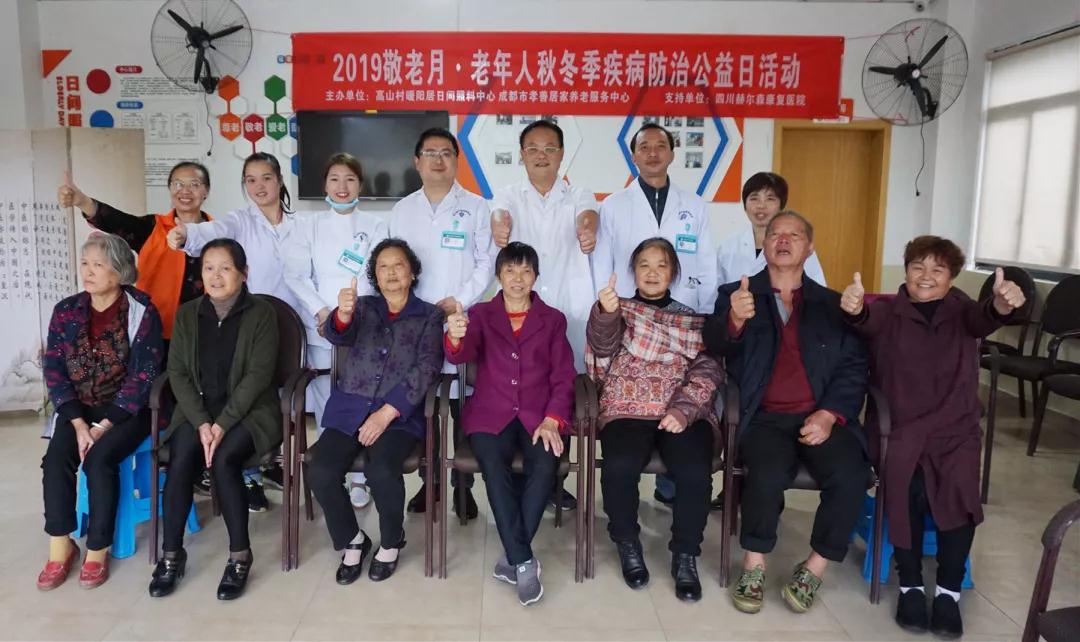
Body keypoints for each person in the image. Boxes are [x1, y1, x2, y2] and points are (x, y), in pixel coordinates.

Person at [840, 236, 1026, 638]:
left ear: (951, 277)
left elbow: (986, 318)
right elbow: (864, 320)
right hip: (899, 429)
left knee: (958, 494)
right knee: (907, 488)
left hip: (953, 430)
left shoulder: (964, 312)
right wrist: (854, 309)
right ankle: (909, 584)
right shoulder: (888, 311)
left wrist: (1001, 305)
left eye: (937, 270)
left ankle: (948, 592)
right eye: (917, 267)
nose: (925, 277)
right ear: (906, 270)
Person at [705, 211, 869, 615]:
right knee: (765, 474)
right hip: (763, 417)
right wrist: (734, 320)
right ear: (763, 245)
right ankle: (754, 564)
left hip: (821, 416)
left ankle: (814, 567)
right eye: (775, 234)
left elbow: (853, 367)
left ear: (809, 248)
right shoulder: (737, 294)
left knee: (851, 474)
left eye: (794, 235)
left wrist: (829, 414)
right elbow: (714, 346)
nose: (783, 240)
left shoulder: (831, 304)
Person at [586, 237, 722, 603]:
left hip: (679, 410)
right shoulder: (620, 309)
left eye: (661, 265)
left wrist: (684, 409)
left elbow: (709, 367)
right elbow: (601, 347)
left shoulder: (692, 321)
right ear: (633, 271)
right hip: (627, 406)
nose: (652, 272)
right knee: (619, 465)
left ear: (673, 272)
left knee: (694, 471)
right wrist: (606, 314)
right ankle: (628, 543)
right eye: (644, 264)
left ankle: (685, 555)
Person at [444, 242, 576, 606]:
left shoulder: (553, 319)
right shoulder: (481, 314)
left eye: (525, 271)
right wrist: (454, 335)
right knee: (494, 467)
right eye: (510, 271)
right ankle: (523, 560)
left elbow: (564, 376)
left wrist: (553, 419)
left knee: (545, 465)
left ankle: (514, 559)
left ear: (536, 276)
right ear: (499, 275)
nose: (518, 279)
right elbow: (462, 354)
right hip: (491, 412)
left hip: (538, 415)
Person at [149, 239, 281, 600]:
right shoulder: (188, 314)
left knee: (224, 460)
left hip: (250, 412)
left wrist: (221, 425)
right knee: (180, 460)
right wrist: (203, 423)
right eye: (209, 268)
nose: (216, 276)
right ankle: (171, 555)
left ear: (244, 273)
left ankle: (240, 556)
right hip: (198, 413)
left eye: (225, 268)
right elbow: (178, 373)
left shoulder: (262, 314)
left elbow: (258, 376)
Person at [167, 152, 300, 513]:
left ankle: (268, 463)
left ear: (280, 180)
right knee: (243, 388)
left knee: (276, 397)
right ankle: (248, 476)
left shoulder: (301, 224)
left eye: (266, 177)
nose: (259, 186)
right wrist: (186, 233)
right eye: (250, 180)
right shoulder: (240, 221)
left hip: (293, 323)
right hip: (248, 320)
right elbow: (212, 233)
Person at [307, 238, 444, 584]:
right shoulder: (364, 307)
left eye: (399, 265)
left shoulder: (429, 315)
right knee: (320, 468)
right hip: (350, 408)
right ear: (375, 276)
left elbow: (427, 367)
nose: (391, 273)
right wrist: (342, 314)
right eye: (383, 267)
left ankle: (392, 541)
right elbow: (338, 336)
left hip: (398, 416)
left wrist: (387, 413)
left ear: (412, 273)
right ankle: (352, 539)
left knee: (381, 469)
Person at [38, 233, 164, 591]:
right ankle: (61, 545)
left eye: (98, 265)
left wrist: (103, 426)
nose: (88, 272)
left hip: (127, 410)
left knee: (99, 460)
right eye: (85, 263)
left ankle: (97, 548)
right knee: (56, 459)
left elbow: (143, 376)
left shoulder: (142, 311)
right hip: (78, 408)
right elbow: (54, 369)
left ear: (120, 272)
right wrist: (79, 424)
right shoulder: (66, 310)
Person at [490, 119, 598, 513]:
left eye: (550, 148)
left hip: (567, 309)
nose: (541, 155)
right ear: (522, 155)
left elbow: (589, 217)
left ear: (561, 154)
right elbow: (499, 217)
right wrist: (499, 227)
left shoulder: (579, 194)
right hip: (522, 308)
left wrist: (587, 230)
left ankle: (554, 481)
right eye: (533, 148)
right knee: (521, 389)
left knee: (560, 390)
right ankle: (523, 480)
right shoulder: (507, 194)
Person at [389, 128, 493, 520]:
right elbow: (391, 265)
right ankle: (429, 482)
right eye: (430, 153)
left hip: (460, 320)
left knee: (463, 404)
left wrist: (459, 301)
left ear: (456, 161)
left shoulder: (477, 207)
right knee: (422, 403)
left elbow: (486, 263)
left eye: (446, 153)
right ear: (417, 162)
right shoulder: (402, 210)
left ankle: (462, 487)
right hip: (414, 324)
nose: (438, 160)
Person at [284, 152, 389, 509]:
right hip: (321, 327)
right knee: (326, 404)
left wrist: (359, 315)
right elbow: (296, 275)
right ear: (324, 185)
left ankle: (360, 479)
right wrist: (324, 312)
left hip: (367, 328)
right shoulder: (308, 225)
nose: (342, 187)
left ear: (360, 184)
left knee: (363, 401)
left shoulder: (377, 225)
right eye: (334, 179)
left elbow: (380, 277)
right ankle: (332, 475)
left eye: (350, 179)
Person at [57, 162, 212, 343]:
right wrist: (82, 201)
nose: (185, 191)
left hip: (206, 332)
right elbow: (117, 221)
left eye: (194, 184)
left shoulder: (219, 233)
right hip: (156, 331)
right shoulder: (152, 228)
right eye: (178, 184)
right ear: (170, 188)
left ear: (206, 191)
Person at [592, 123, 717, 314]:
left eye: (660, 146)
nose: (652, 153)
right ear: (633, 157)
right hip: (627, 309)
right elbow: (601, 265)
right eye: (644, 147)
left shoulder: (695, 205)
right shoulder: (612, 205)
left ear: (672, 155)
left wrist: (708, 312)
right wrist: (605, 309)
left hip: (684, 309)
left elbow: (707, 266)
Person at [717, 172, 826, 286]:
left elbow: (818, 290)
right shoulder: (727, 247)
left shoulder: (800, 247)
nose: (761, 205)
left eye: (770, 199)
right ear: (745, 205)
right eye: (754, 198)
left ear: (781, 206)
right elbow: (716, 292)